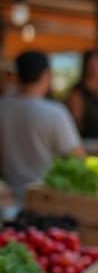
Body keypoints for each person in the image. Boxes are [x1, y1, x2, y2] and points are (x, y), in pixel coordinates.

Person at [0, 51, 84, 203]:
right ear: (46, 75)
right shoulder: (55, 113)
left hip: (7, 198)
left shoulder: (3, 107)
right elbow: (78, 157)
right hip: (46, 199)